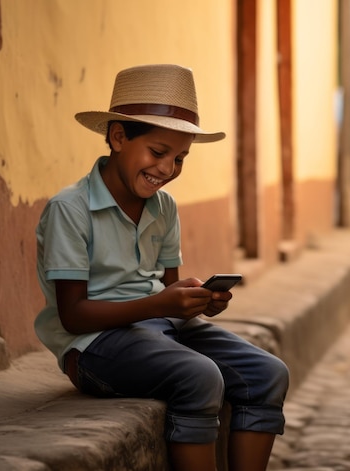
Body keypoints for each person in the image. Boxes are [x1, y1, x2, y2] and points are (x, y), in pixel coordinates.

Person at [34, 64, 289, 471]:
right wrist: (160, 305)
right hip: (95, 346)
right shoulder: (71, 208)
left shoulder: (164, 207)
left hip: (160, 331)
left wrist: (197, 301)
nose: (167, 170)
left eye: (180, 158)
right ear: (118, 137)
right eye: (158, 152)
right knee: (200, 377)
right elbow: (73, 315)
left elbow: (170, 293)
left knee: (269, 373)